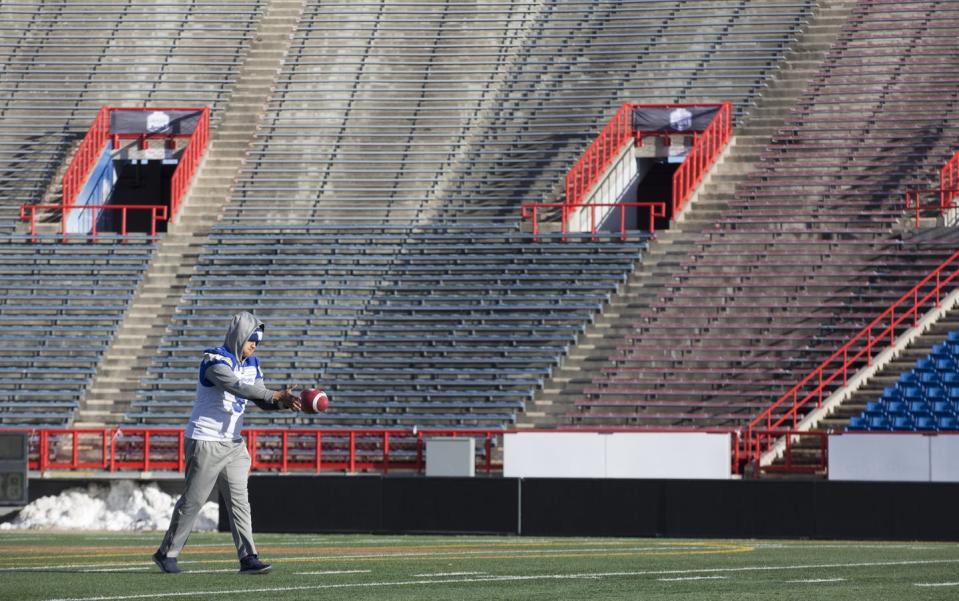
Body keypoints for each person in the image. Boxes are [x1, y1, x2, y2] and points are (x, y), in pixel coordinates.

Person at [152, 311, 300, 575]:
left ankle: (248, 557)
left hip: (233, 444)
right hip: (205, 439)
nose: (254, 344)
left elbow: (260, 399)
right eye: (251, 339)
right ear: (238, 336)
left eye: (258, 340)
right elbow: (236, 387)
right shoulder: (214, 360)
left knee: (239, 501)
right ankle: (166, 553)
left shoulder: (252, 363)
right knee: (194, 501)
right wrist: (275, 393)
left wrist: (281, 403)